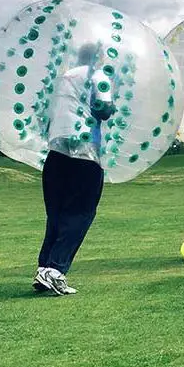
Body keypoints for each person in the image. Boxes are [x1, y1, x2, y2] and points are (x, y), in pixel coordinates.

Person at [34, 43, 116, 295]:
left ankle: (44, 269)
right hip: (85, 152)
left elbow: (42, 114)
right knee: (82, 212)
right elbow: (103, 109)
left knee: (57, 214)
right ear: (98, 58)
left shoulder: (60, 79)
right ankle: (55, 270)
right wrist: (112, 108)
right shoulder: (98, 76)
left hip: (56, 152)